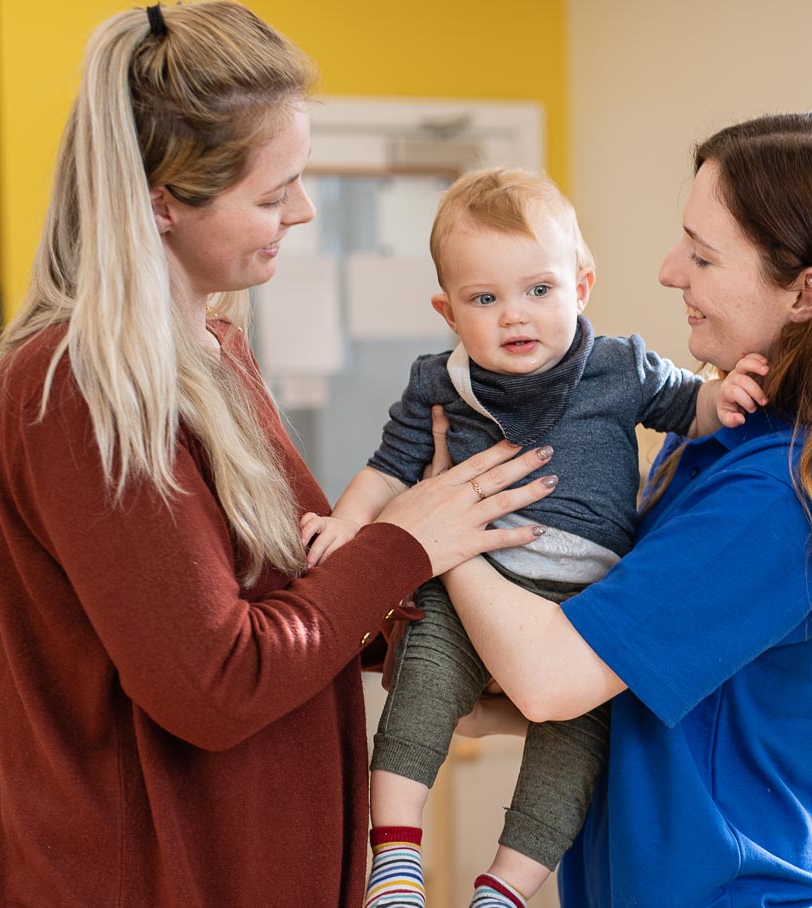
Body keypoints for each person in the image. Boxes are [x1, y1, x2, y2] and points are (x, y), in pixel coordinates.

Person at [0, 5, 555, 906]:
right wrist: (408, 543)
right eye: (273, 195)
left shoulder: (212, 348)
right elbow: (216, 682)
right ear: (162, 201)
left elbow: (288, 597)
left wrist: (457, 656)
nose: (303, 211)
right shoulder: (81, 381)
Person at [436, 112, 812, 906]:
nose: (671, 271)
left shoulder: (786, 497)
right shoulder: (719, 438)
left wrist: (446, 529)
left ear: (805, 292)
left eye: (703, 255)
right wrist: (467, 688)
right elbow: (655, 690)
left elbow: (551, 680)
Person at [299, 166, 767, 908]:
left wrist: (723, 399)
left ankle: (505, 890)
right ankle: (393, 860)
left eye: (538, 291)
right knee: (419, 686)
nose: (515, 316)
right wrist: (349, 522)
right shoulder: (441, 382)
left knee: (576, 746)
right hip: (470, 584)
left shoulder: (619, 366)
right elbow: (389, 469)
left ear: (580, 288)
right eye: (485, 299)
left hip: (582, 602)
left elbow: (689, 405)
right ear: (448, 312)